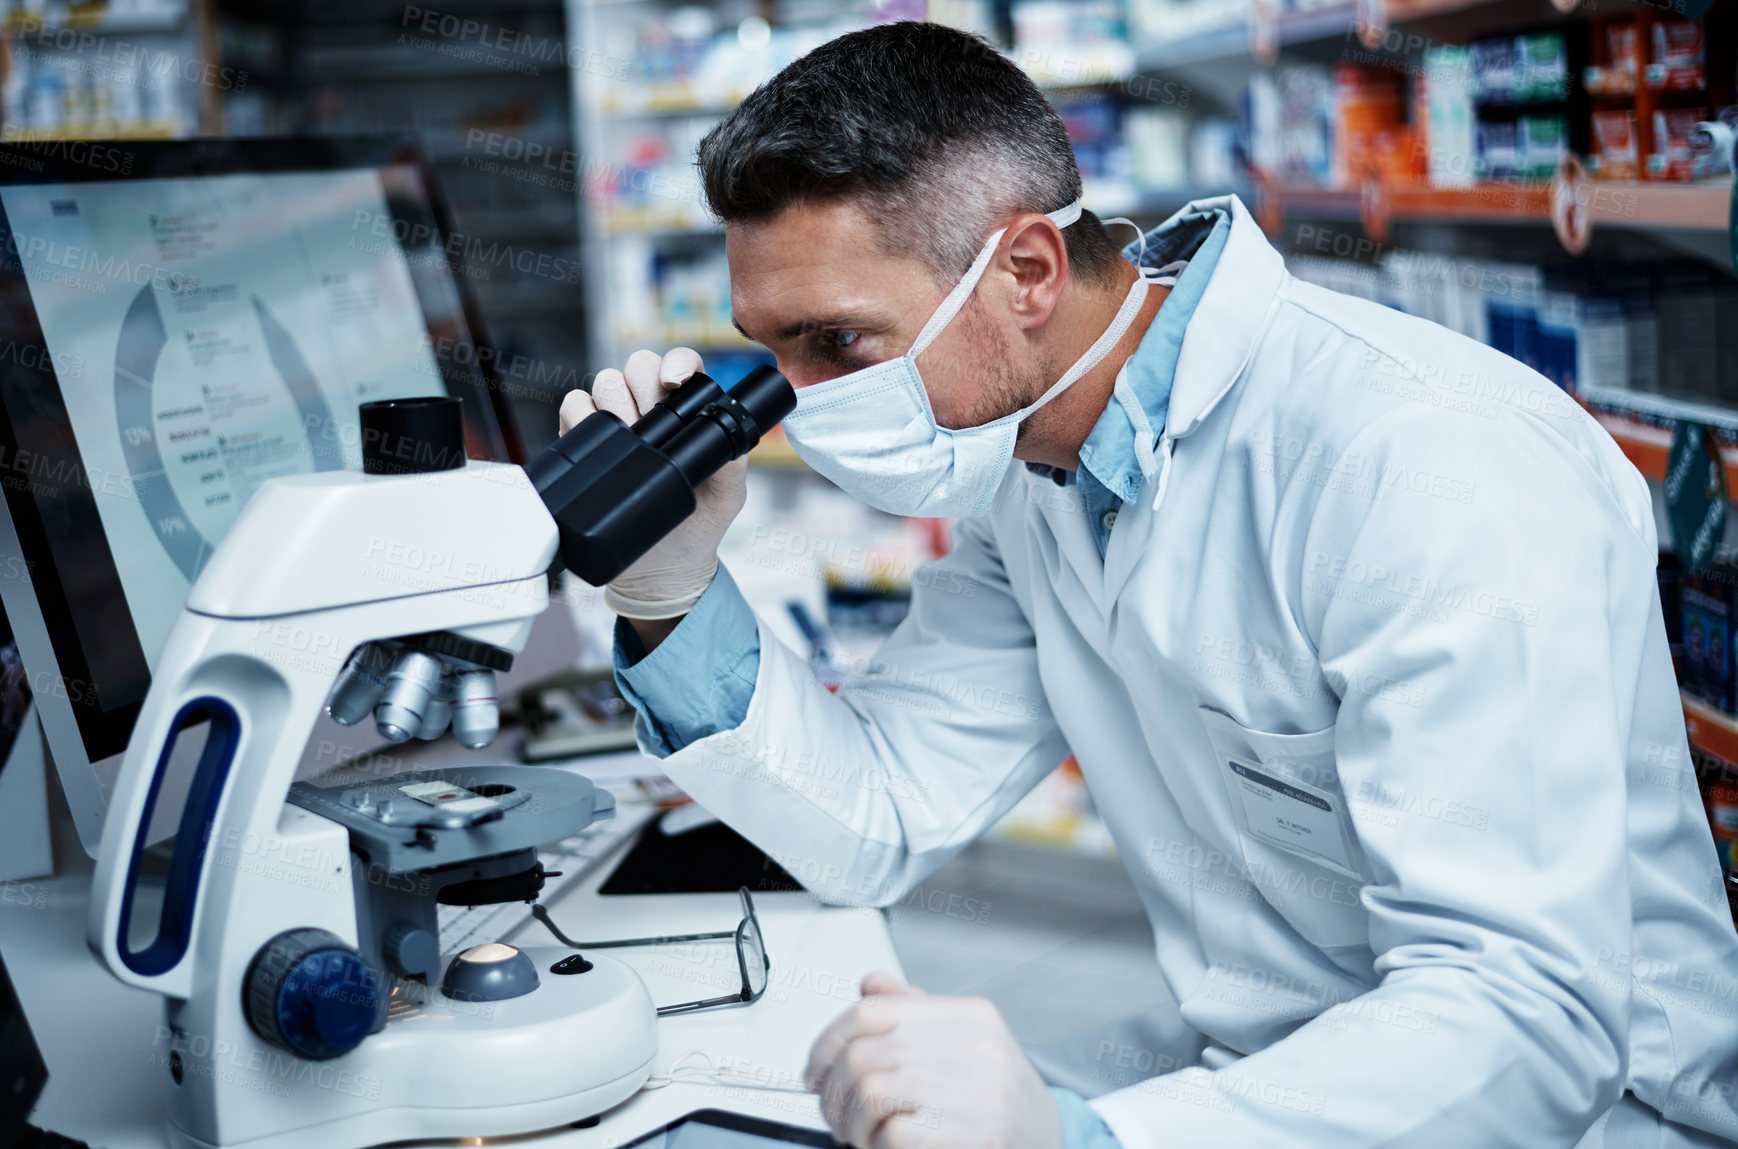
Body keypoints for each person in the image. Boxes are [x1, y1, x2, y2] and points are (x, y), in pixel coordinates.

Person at [559, 21, 1738, 1149]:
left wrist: (1096, 1138)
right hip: (1265, 1071)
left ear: (1024, 270)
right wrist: (670, 588)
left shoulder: (1423, 463)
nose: (795, 400)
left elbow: (1529, 1019)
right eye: (766, 351)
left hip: (1566, 1118)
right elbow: (883, 813)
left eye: (835, 346)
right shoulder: (1033, 473)